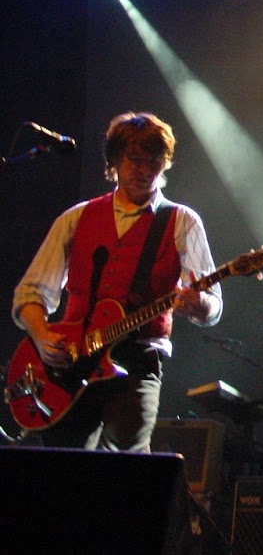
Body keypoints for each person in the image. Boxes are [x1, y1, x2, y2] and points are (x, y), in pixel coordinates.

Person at [11, 111, 223, 451]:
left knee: (127, 466)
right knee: (60, 464)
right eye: (135, 159)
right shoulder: (77, 217)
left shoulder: (182, 221)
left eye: (154, 161)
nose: (145, 170)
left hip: (138, 362)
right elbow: (30, 293)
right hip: (69, 362)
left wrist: (199, 304)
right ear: (115, 161)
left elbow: (213, 304)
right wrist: (42, 336)